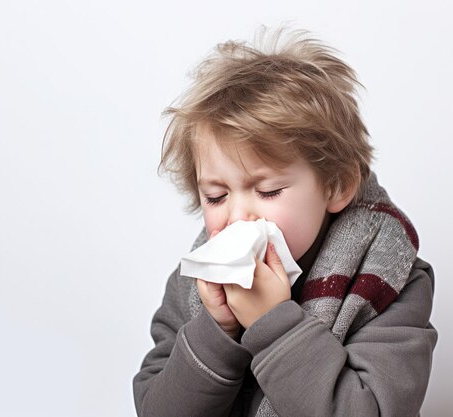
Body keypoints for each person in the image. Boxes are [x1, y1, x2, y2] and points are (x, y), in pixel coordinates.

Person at [133, 27, 437, 417]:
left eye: (268, 191)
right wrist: (218, 330)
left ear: (336, 185)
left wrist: (271, 324)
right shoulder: (192, 286)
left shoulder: (389, 279)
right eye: (216, 196)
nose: (239, 216)